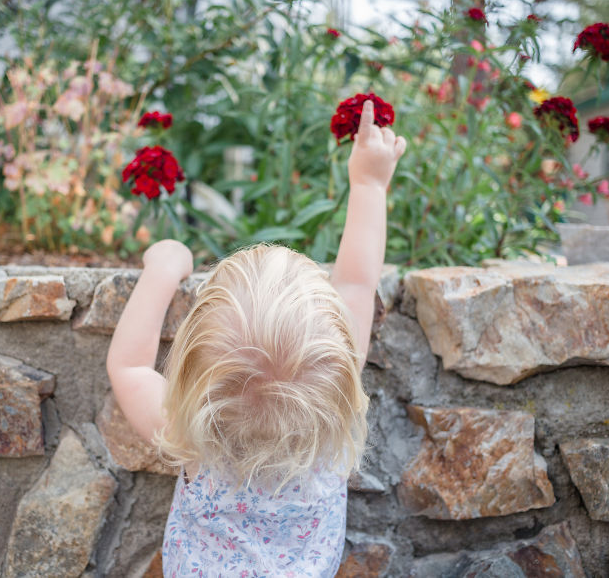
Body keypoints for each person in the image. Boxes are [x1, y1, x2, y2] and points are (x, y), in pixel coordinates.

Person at [107, 100, 406, 577]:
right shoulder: (331, 434)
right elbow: (356, 283)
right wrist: (369, 183)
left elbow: (129, 366)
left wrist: (164, 268)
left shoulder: (192, 438)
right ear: (339, 363)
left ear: (189, 369)